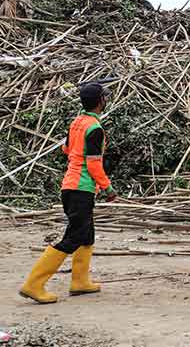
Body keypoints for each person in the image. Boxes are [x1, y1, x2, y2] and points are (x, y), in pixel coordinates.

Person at [18, 81, 117, 304]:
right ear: (101, 101)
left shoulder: (77, 123)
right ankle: (33, 284)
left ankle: (80, 282)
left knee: (87, 234)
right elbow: (93, 164)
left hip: (71, 187)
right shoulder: (95, 128)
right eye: (105, 97)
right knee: (74, 237)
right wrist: (108, 187)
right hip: (80, 189)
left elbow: (66, 149)